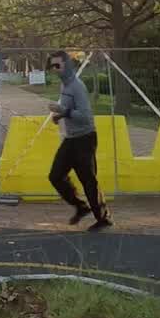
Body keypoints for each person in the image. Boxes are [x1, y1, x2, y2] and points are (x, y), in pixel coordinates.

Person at [46, 50, 112, 231]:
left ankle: (103, 218)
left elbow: (85, 116)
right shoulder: (65, 86)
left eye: (58, 65)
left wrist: (63, 110)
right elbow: (68, 110)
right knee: (55, 176)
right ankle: (81, 206)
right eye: (53, 66)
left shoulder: (77, 86)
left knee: (88, 180)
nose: (56, 69)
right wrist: (59, 116)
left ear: (67, 65)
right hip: (71, 139)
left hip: (85, 138)